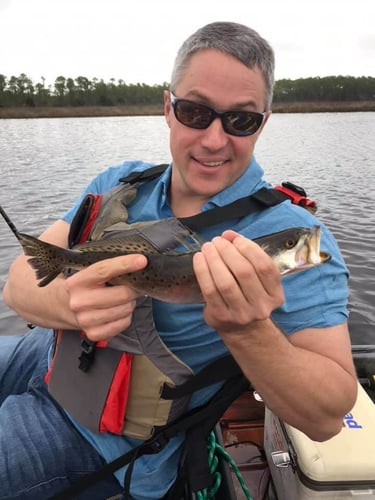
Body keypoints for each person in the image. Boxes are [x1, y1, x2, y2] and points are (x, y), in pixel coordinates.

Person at [1, 21, 357, 500]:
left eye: (240, 120)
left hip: (99, 440)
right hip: (46, 359)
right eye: (195, 111)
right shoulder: (121, 182)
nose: (214, 140)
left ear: (264, 122)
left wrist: (248, 331)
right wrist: (69, 303)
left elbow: (327, 417)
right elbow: (20, 282)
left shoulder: (296, 240)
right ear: (168, 108)